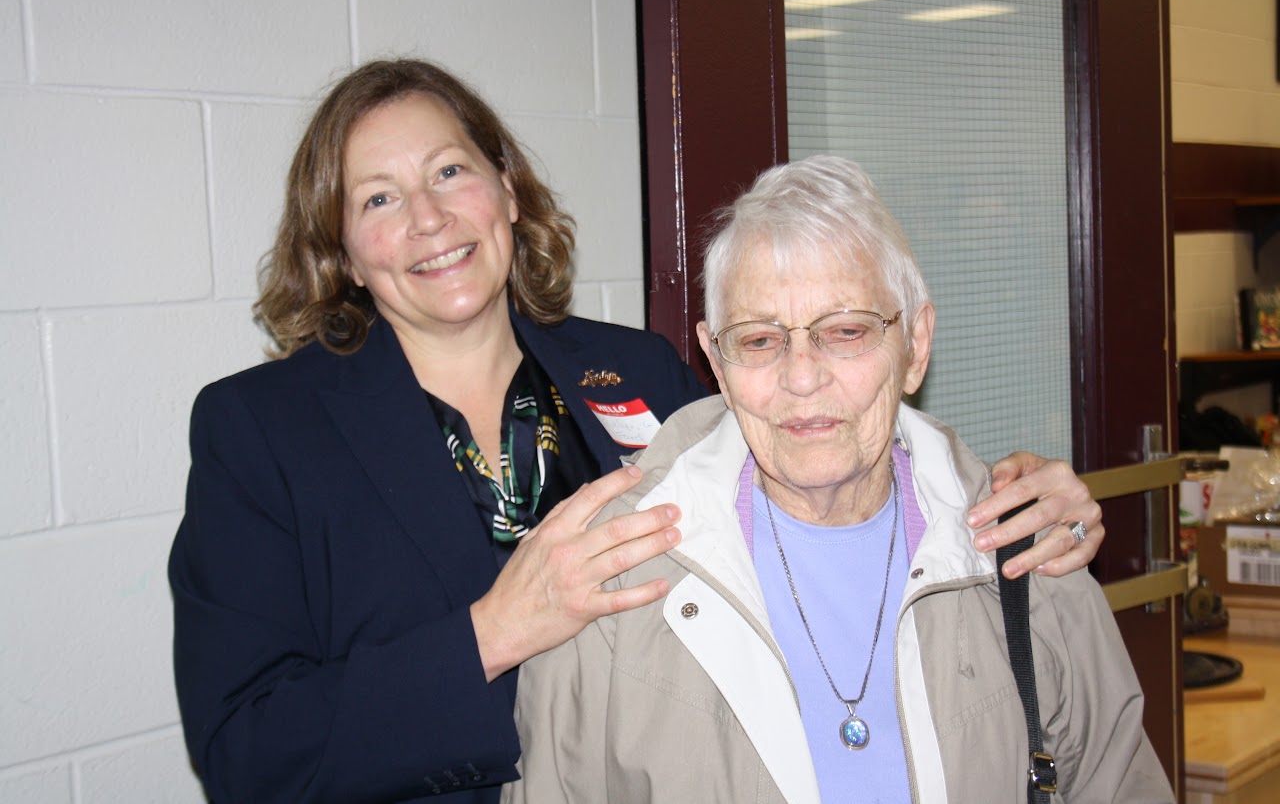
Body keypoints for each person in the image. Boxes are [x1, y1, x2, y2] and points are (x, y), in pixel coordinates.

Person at [168, 59, 1107, 804]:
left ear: (505, 188)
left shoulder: (641, 371)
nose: (428, 217)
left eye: (451, 170)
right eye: (377, 197)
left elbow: (821, 426)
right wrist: (492, 633)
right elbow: (248, 753)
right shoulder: (261, 433)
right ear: (337, 248)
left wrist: (1005, 492)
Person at [504, 156, 1173, 803]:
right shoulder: (613, 579)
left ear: (916, 344)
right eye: (760, 340)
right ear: (716, 360)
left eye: (846, 331)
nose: (802, 376)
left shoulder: (1027, 552)